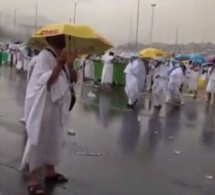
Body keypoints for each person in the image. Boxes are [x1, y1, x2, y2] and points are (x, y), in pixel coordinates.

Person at [21, 34, 76, 195]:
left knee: (53, 138)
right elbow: (48, 81)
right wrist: (59, 64)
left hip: (55, 106)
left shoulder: (63, 55)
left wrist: (70, 64)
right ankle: (32, 178)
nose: (62, 39)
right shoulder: (45, 55)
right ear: (50, 40)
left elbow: (72, 78)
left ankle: (50, 172)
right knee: (37, 138)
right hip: (42, 104)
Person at [19, 50, 40, 125]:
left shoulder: (35, 59)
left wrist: (30, 81)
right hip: (39, 84)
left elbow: (30, 70)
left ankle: (27, 118)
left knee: (29, 102)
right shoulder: (43, 59)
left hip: (33, 83)